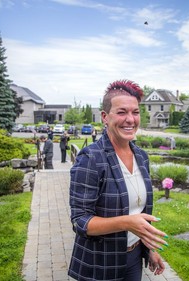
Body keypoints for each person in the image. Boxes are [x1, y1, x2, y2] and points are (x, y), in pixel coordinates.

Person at [68, 80, 167, 281]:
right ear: (105, 117)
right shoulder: (91, 159)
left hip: (133, 259)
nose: (130, 119)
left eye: (135, 112)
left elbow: (140, 214)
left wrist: (149, 250)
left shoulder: (141, 156)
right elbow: (80, 221)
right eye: (122, 112)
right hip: (100, 262)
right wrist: (126, 223)